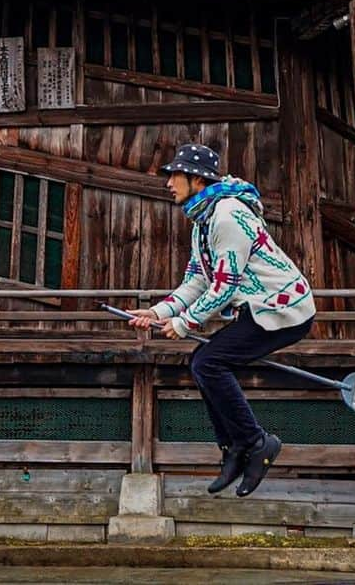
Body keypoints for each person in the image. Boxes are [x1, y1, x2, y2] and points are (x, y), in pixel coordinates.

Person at [128, 143, 315, 497]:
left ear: (197, 179)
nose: (168, 183)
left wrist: (184, 324)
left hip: (285, 310)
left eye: (175, 175)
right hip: (260, 308)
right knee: (202, 362)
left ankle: (257, 444)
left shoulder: (227, 216)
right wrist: (158, 312)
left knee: (209, 363)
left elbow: (224, 285)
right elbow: (196, 281)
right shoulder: (203, 222)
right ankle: (235, 448)